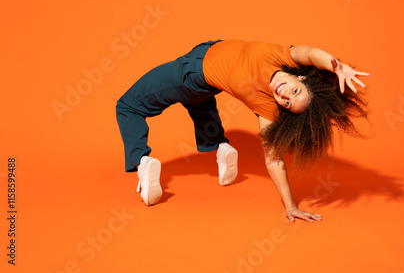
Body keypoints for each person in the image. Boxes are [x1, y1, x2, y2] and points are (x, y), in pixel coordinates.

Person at [116, 39, 370, 222]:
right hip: (205, 74)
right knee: (198, 101)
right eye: (294, 92)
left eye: (288, 103)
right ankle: (221, 146)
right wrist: (335, 66)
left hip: (190, 72)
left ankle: (141, 161)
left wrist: (290, 206)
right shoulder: (283, 57)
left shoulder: (266, 106)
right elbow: (311, 53)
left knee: (127, 106)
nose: (284, 95)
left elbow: (274, 159)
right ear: (302, 78)